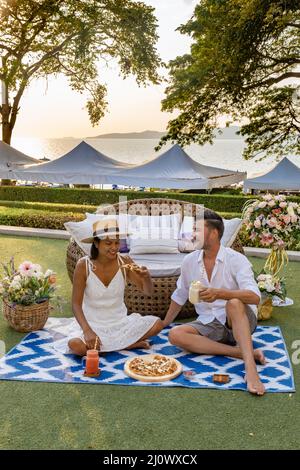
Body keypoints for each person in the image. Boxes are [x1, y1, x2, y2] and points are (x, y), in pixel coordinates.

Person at [163, 209, 266, 396]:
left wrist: (220, 293)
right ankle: (241, 352)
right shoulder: (189, 261)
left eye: (197, 229)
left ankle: (251, 370)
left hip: (239, 320)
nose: (191, 234)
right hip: (210, 322)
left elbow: (254, 297)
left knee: (233, 303)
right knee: (175, 335)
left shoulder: (236, 260)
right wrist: (164, 323)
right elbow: (180, 295)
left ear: (214, 233)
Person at [65, 218, 163, 356]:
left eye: (117, 243)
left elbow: (147, 291)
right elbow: (76, 304)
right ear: (97, 243)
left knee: (157, 324)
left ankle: (112, 346)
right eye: (108, 243)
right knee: (76, 346)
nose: (114, 247)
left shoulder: (125, 262)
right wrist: (87, 331)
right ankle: (127, 345)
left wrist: (146, 278)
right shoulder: (83, 266)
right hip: (91, 324)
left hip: (120, 324)